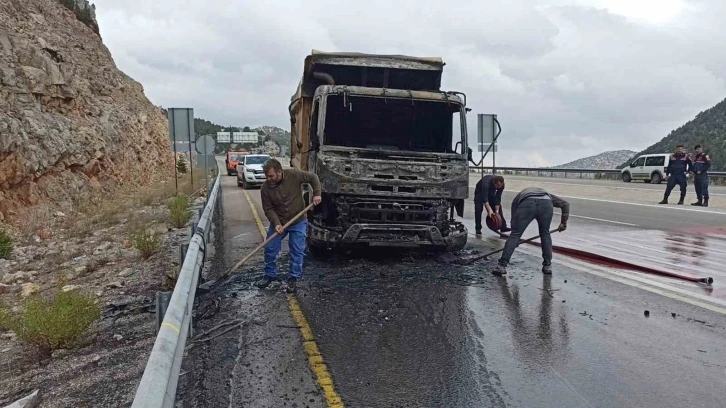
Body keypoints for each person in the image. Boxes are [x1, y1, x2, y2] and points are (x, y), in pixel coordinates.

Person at [256, 159, 322, 293]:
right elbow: (268, 209)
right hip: (280, 222)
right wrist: (277, 224)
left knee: (297, 250)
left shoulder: (294, 175)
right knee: (270, 248)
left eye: (271, 176)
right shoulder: (265, 189)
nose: (268, 179)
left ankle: (293, 277)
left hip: (298, 221)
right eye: (266, 176)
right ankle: (270, 275)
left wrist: (317, 194)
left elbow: (313, 177)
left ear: (279, 172)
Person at [492, 187, 569, 276]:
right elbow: (565, 204)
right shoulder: (547, 195)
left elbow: (514, 218)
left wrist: (514, 238)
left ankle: (501, 266)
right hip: (546, 205)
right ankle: (547, 266)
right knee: (545, 234)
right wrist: (563, 222)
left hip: (527, 204)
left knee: (515, 235)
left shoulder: (519, 196)